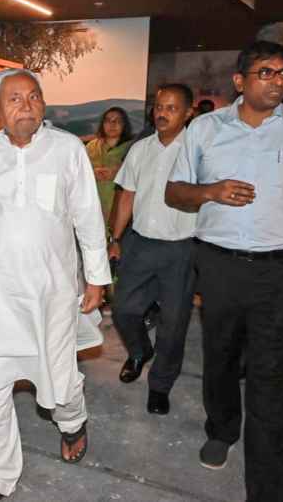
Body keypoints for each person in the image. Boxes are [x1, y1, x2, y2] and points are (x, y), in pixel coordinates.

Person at [165, 41, 283, 502]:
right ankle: (222, 428)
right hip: (219, 266)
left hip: (279, 272)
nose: (277, 81)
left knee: (269, 381)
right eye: (265, 72)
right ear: (240, 81)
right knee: (221, 359)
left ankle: (267, 491)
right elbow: (175, 193)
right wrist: (211, 191)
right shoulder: (205, 128)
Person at [0, 68, 110, 502]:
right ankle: (0, 476)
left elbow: (88, 216)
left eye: (33, 96)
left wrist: (97, 277)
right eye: (14, 99)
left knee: (61, 384)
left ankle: (73, 422)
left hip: (52, 294)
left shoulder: (68, 150)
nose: (26, 104)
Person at [107, 83, 196, 415]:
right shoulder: (140, 149)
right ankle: (140, 350)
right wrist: (115, 238)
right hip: (140, 244)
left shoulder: (199, 150)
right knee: (123, 309)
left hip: (183, 249)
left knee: (173, 324)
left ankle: (160, 385)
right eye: (159, 106)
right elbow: (126, 195)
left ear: (188, 113)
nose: (162, 113)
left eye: (172, 108)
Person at [85, 107, 132, 228]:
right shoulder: (91, 147)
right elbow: (78, 173)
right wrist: (91, 174)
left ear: (124, 124)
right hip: (93, 208)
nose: (112, 124)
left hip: (119, 207)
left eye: (117, 121)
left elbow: (141, 177)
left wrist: (117, 174)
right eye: (108, 120)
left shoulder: (132, 148)